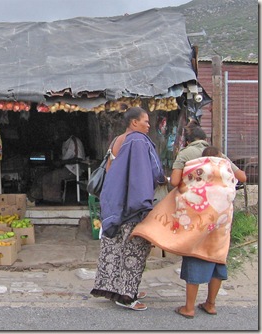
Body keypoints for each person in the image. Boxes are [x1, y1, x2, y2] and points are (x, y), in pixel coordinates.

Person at [132, 120, 247, 319]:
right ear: (205, 138)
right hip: (222, 218)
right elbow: (243, 177)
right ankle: (210, 304)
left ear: (189, 140)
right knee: (217, 256)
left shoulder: (186, 154)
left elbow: (175, 182)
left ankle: (189, 307)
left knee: (194, 251)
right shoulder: (221, 157)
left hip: (198, 215)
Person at [90, 106, 166, 311]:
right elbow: (146, 175)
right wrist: (144, 206)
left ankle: (112, 289)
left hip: (113, 204)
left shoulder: (117, 140)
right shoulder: (138, 141)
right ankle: (127, 296)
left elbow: (111, 170)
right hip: (132, 205)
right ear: (134, 122)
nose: (148, 125)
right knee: (134, 251)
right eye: (146, 121)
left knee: (113, 249)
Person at [28, 123, 85, 203]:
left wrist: (62, 162)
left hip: (73, 170)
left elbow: (79, 159)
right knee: (41, 174)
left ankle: (53, 201)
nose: (60, 134)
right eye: (59, 132)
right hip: (65, 168)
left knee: (52, 176)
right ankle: (35, 196)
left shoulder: (74, 141)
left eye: (62, 132)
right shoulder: (64, 142)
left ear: (67, 131)